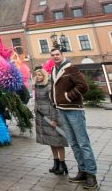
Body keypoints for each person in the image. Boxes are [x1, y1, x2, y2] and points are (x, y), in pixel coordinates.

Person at [50, 48, 98, 189]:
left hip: (74, 110)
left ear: (62, 55)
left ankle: (91, 175)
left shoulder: (71, 69)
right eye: (53, 55)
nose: (55, 56)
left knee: (83, 143)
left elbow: (83, 86)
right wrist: (55, 101)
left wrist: (68, 97)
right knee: (73, 143)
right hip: (62, 110)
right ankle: (82, 171)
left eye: (57, 54)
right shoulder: (54, 70)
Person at [33, 67, 68, 175]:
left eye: (40, 75)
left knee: (59, 142)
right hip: (43, 117)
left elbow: (54, 105)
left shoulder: (49, 87)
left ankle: (62, 164)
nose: (38, 77)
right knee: (51, 141)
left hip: (51, 118)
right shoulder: (37, 87)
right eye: (36, 75)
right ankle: (56, 163)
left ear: (44, 76)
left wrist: (54, 120)